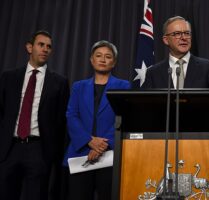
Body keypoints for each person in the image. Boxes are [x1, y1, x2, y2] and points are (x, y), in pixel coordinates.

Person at [0, 30, 69, 200]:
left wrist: (53, 153)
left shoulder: (59, 82)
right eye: (41, 44)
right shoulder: (8, 77)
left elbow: (61, 121)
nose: (45, 49)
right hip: (9, 148)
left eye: (49, 47)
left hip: (39, 150)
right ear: (29, 47)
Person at [63, 40, 130, 200]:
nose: (103, 59)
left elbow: (123, 117)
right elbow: (71, 116)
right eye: (98, 55)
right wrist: (88, 140)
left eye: (108, 56)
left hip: (109, 155)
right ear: (91, 60)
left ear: (113, 62)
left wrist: (100, 146)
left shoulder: (124, 86)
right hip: (80, 153)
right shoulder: (78, 86)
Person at [142, 16, 209, 89]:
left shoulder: (208, 68)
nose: (184, 38)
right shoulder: (153, 73)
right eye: (177, 34)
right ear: (166, 40)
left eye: (187, 33)